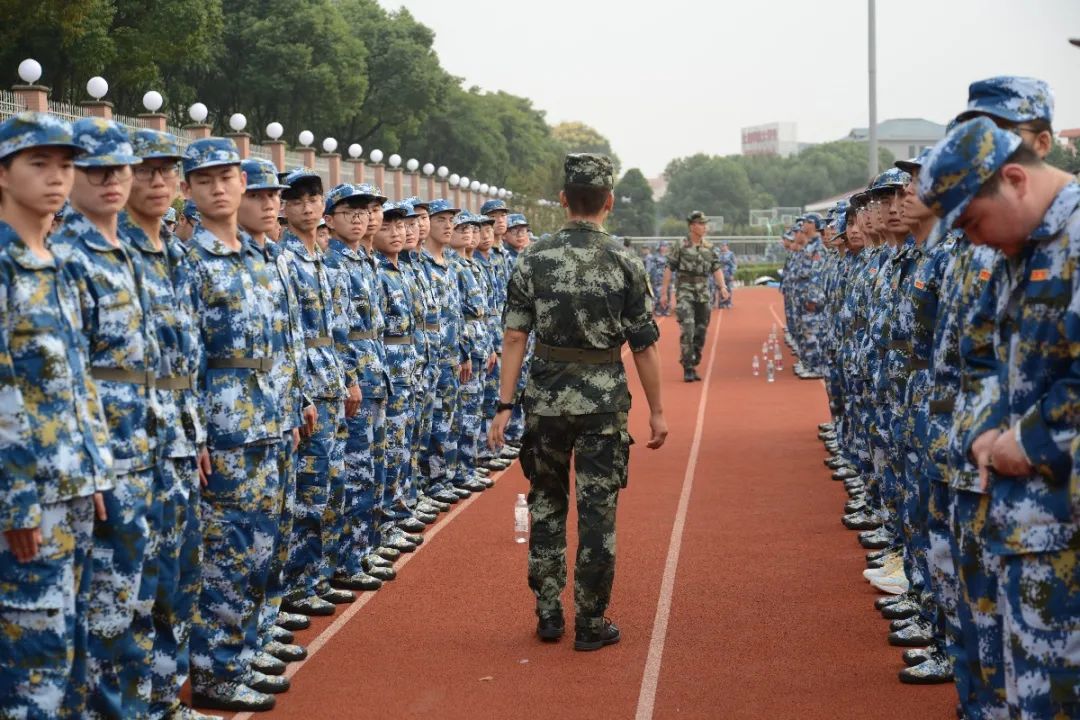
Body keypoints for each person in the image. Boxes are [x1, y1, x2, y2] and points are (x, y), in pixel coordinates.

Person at [921, 115, 1080, 720]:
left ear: (1014, 179)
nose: (976, 241)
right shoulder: (1022, 250)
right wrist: (988, 430)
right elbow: (979, 349)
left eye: (972, 222)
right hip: (1024, 527)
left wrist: (1029, 442)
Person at [488, 153, 667, 651]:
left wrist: (504, 405)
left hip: (545, 400)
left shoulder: (532, 257)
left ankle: (548, 611)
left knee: (546, 502)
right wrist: (656, 410)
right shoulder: (626, 260)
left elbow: (513, 338)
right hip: (604, 402)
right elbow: (645, 345)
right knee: (597, 512)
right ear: (608, 202)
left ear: (564, 200)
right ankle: (590, 621)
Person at [0, 112, 113, 720]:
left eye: (66, 165)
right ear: (3, 174)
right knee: (30, 664)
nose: (56, 178)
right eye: (38, 164)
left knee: (68, 649)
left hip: (71, 486)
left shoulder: (59, 265)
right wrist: (16, 500)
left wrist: (95, 468)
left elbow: (79, 379)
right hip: (23, 500)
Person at [56, 118, 161, 719]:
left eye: (119, 169)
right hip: (97, 458)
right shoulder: (65, 255)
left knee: (132, 596)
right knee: (94, 609)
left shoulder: (129, 251)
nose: (111, 181)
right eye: (94, 169)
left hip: (142, 446)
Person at [182, 137, 283, 712]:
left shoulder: (257, 255)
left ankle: (244, 650)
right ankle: (216, 673)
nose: (219, 188)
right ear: (190, 192)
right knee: (226, 552)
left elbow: (280, 343)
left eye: (228, 177)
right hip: (223, 428)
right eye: (206, 180)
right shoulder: (192, 261)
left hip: (266, 419)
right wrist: (196, 433)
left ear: (242, 183)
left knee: (262, 546)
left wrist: (291, 404)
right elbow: (183, 356)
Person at [124, 127, 212, 718]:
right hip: (131, 447)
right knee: (127, 592)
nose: (158, 181)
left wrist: (197, 432)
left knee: (176, 579)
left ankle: (163, 697)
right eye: (144, 170)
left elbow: (188, 361)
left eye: (166, 170)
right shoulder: (113, 253)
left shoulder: (174, 257)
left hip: (178, 438)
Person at [661, 210, 728, 382]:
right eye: (701, 223)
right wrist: (664, 293)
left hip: (703, 294)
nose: (704, 227)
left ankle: (694, 358)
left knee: (701, 331)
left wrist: (723, 287)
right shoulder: (680, 245)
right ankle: (688, 367)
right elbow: (669, 268)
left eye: (705, 224)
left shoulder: (709, 247)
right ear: (692, 226)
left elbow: (716, 268)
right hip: (685, 293)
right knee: (688, 330)